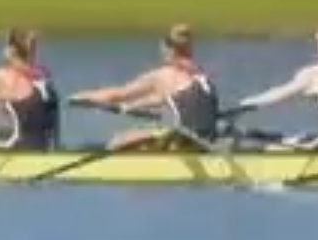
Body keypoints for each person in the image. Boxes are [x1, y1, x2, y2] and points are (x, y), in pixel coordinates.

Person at [71, 24, 219, 150]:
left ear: (170, 50)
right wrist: (130, 107)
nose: (161, 53)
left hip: (183, 142)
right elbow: (162, 99)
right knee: (152, 134)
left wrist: (82, 97)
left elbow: (118, 94)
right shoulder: (200, 74)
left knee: (117, 141)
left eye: (162, 49)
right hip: (207, 141)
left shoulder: (163, 76)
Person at [235, 22, 318, 151]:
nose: (317, 46)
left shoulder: (317, 73)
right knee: (291, 139)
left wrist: (247, 104)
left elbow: (280, 94)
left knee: (267, 146)